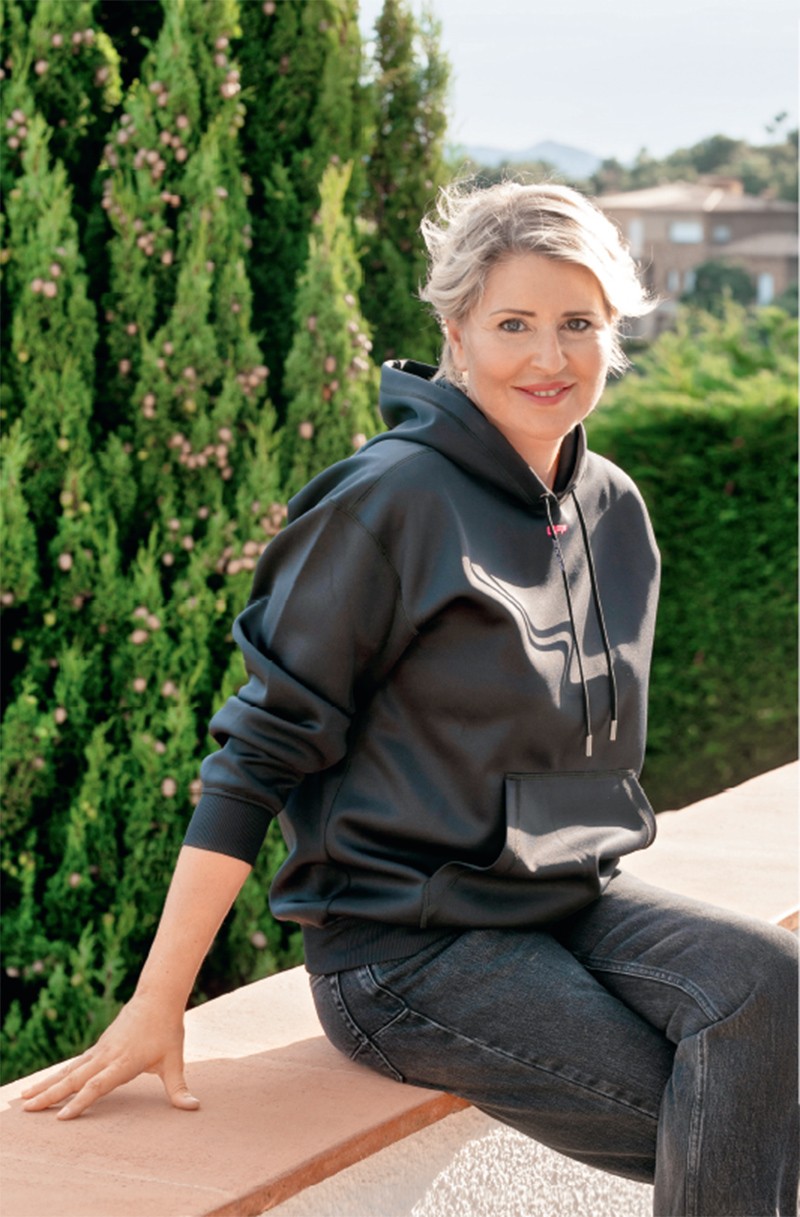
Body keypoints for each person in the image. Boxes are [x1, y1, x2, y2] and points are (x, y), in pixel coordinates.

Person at [22, 181, 798, 1217]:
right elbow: (256, 755)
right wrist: (157, 999)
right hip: (405, 950)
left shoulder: (610, 505)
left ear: (614, 332)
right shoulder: (387, 499)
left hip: (566, 900)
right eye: (513, 323)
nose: (550, 356)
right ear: (456, 332)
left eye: (578, 324)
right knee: (735, 1122)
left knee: (770, 981)